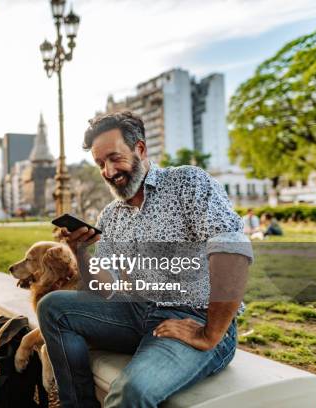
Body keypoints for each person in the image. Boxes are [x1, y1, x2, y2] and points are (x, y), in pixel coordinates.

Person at [41, 111, 252, 408]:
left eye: (115, 158)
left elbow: (232, 249)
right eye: (100, 163)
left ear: (140, 149)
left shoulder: (187, 183)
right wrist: (81, 251)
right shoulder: (111, 216)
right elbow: (102, 291)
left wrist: (210, 333)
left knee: (132, 392)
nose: (108, 171)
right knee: (53, 307)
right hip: (133, 311)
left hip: (192, 317)